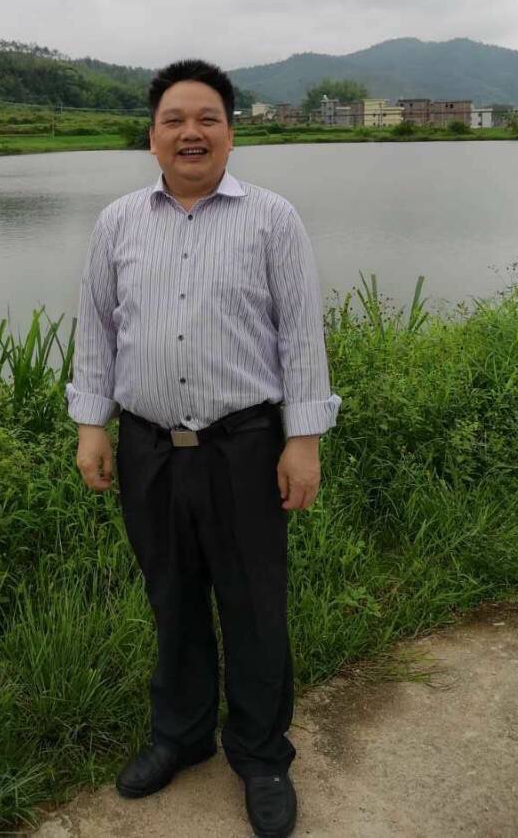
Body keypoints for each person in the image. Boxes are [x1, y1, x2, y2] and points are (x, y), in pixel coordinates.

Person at [65, 59, 341, 838]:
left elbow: (300, 335)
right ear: (151, 136)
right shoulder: (117, 222)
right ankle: (181, 735)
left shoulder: (271, 219)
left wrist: (302, 440)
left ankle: (260, 753)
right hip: (147, 446)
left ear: (229, 131)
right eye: (174, 120)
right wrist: (91, 424)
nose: (191, 132)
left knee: (253, 603)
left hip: (243, 444)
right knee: (172, 596)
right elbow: (96, 329)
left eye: (207, 118)